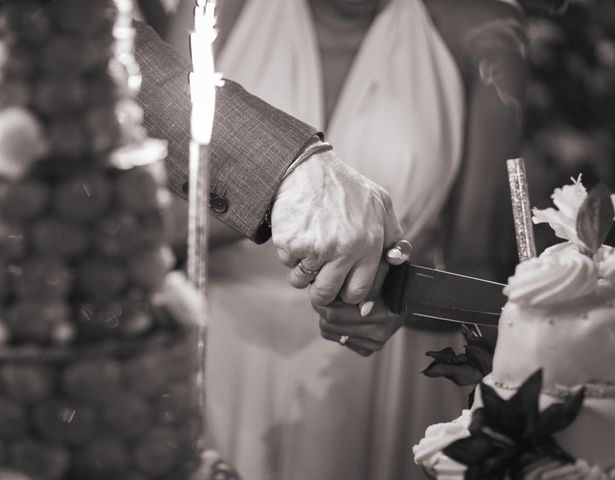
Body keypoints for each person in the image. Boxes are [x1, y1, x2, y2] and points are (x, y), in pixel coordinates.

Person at [158, 1, 527, 480]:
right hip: (228, 351)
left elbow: (477, 264)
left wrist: (398, 292)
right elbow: (149, 219)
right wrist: (275, 203)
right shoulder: (214, 9)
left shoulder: (480, 26)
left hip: (384, 362)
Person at [133, 20, 404, 311]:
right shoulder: (219, 10)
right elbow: (154, 81)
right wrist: (293, 171)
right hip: (221, 308)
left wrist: (392, 287)